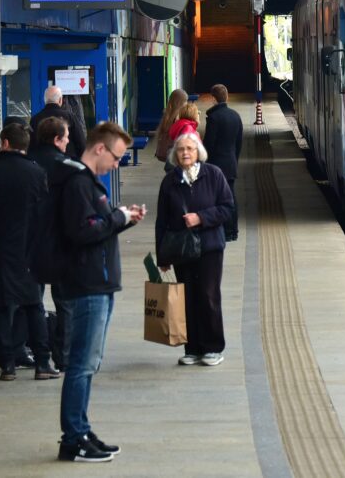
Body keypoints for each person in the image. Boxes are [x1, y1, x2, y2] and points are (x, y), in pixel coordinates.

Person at [56, 122, 146, 463]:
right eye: (117, 157)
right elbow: (81, 231)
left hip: (98, 281)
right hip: (87, 284)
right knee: (81, 365)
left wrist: (123, 219)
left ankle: (80, 428)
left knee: (89, 364)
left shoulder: (87, 183)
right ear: (99, 149)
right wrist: (117, 218)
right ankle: (73, 438)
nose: (117, 164)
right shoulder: (78, 184)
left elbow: (96, 228)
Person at [0, 123, 59, 382]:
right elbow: (45, 213)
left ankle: (8, 365)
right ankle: (43, 363)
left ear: (4, 143)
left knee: (1, 307)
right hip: (29, 250)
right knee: (34, 306)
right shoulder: (36, 173)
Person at [155, 132, 234, 367]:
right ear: (175, 155)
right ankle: (192, 348)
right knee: (187, 297)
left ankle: (212, 348)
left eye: (190, 149)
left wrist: (201, 217)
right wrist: (162, 255)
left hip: (210, 247)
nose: (185, 153)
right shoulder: (169, 181)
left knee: (208, 295)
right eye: (181, 150)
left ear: (198, 152)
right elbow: (162, 220)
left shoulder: (214, 175)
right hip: (181, 249)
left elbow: (228, 208)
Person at [29, 116, 79, 371]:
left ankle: (34, 354)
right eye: (66, 137)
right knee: (66, 304)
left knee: (33, 302)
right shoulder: (69, 167)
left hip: (30, 244)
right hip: (61, 244)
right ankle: (65, 356)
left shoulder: (28, 162)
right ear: (58, 140)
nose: (69, 140)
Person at [202, 84, 243, 241]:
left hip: (216, 165)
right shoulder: (235, 116)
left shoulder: (214, 118)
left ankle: (223, 231)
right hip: (231, 163)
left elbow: (209, 145)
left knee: (218, 198)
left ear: (213, 98)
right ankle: (233, 231)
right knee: (231, 197)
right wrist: (234, 160)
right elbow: (239, 143)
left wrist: (205, 163)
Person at [31, 86, 87, 160]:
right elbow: (81, 143)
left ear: (45, 100)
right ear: (60, 100)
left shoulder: (35, 119)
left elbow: (32, 146)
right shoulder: (70, 117)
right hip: (68, 163)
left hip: (43, 164)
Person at [153, 89, 190, 163]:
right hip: (176, 153)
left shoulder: (167, 113)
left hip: (167, 152)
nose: (186, 103)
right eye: (185, 101)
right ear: (180, 102)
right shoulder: (179, 117)